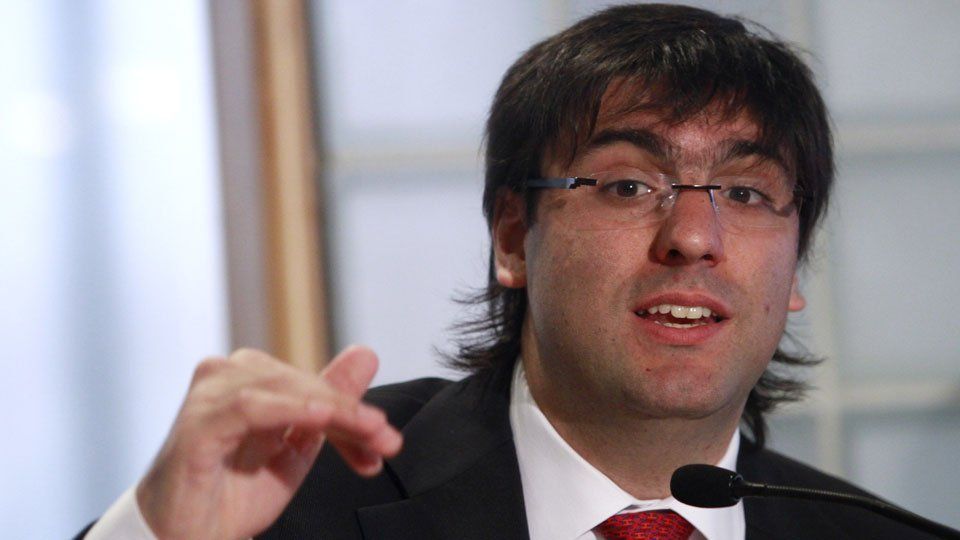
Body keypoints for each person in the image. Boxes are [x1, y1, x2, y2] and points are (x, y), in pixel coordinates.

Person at [79, 4, 945, 539]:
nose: (692, 237)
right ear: (511, 236)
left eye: (747, 193)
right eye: (628, 184)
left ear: (796, 268)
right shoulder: (293, 504)